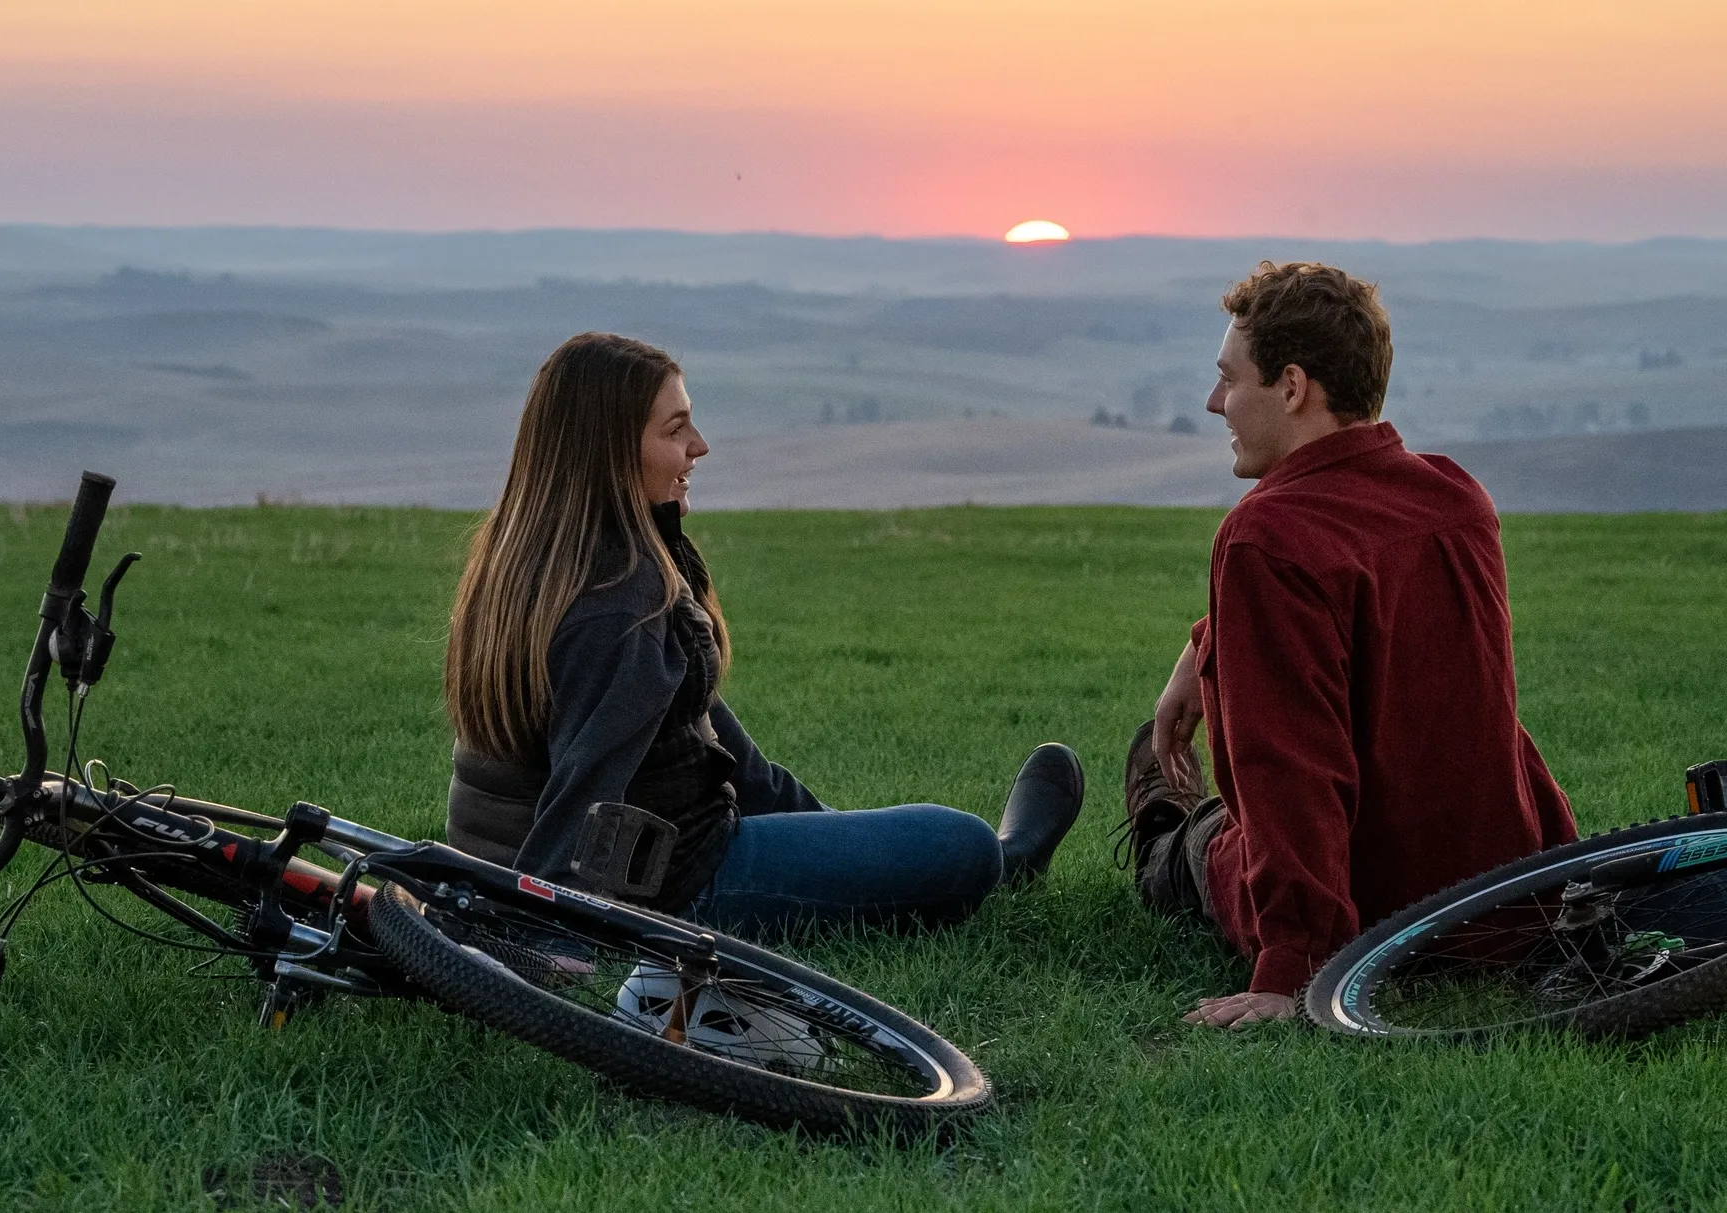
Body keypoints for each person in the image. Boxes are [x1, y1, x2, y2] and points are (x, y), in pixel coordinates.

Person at [444, 331, 1083, 938]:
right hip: (675, 883)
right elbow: (586, 785)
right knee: (960, 844)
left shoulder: (531, 567)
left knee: (877, 841)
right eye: (675, 429)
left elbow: (718, 747)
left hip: (526, 857)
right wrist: (542, 921)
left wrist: (841, 841)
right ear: (609, 450)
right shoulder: (618, 605)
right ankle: (1005, 863)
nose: (700, 445)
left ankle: (910, 863)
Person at [1119, 261, 1579, 1027]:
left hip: (1367, 922)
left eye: (1230, 380)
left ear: (1293, 386)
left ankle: (1166, 834)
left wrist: (1291, 973)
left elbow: (1290, 772)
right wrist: (1203, 653)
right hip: (1503, 901)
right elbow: (1367, 615)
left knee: (1209, 844)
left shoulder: (1265, 535)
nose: (1213, 402)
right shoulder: (1455, 497)